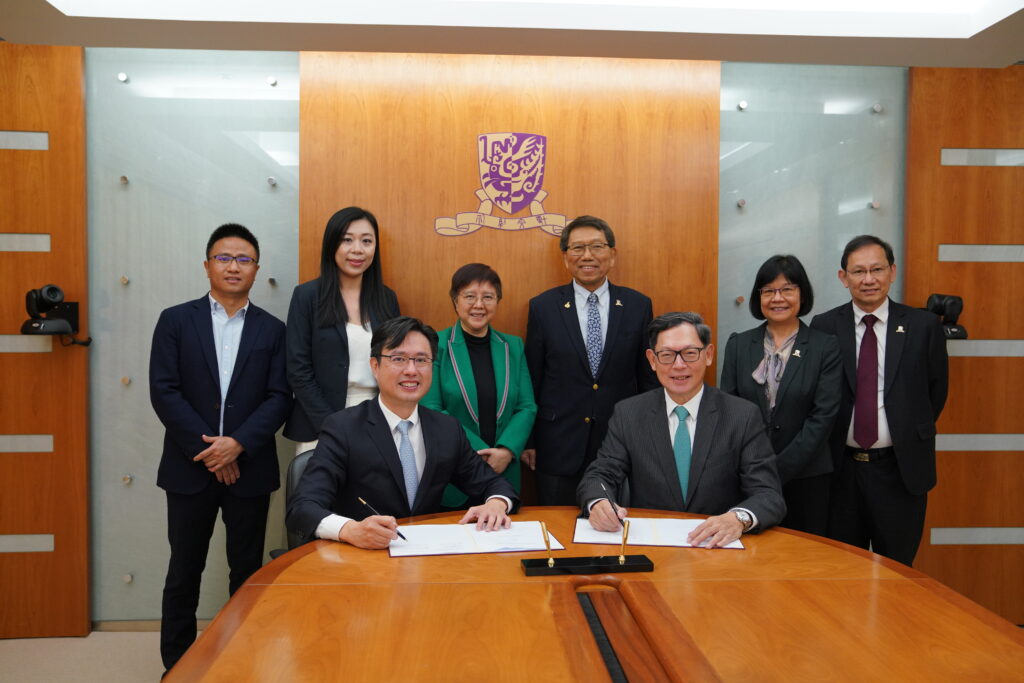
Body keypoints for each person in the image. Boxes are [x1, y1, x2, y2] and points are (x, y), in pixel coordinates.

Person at [150, 224, 290, 672]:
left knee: (247, 572)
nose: (234, 266)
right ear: (208, 263)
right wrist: (212, 451)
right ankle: (178, 666)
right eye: (225, 258)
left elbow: (279, 397)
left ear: (256, 270)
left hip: (250, 468)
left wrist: (238, 445)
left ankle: (241, 661)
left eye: (244, 259)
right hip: (189, 468)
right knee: (183, 571)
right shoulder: (175, 320)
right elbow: (164, 390)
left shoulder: (273, 329)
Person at [286, 316, 519, 549]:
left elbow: (494, 484)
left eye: (421, 360)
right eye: (398, 359)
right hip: (360, 561)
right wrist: (350, 530)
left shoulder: (447, 428)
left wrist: (497, 503)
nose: (411, 370)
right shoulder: (343, 428)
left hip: (426, 559)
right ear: (375, 366)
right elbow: (303, 507)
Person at [579, 312, 785, 548]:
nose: (679, 365)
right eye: (667, 355)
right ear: (652, 360)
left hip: (716, 550)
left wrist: (737, 519)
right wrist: (598, 503)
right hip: (651, 550)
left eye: (689, 353)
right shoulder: (629, 414)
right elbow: (600, 475)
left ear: (708, 355)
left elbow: (768, 494)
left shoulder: (742, 416)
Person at [810, 235, 948, 566]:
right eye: (858, 271)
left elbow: (935, 391)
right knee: (841, 570)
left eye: (877, 269)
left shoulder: (923, 326)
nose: (868, 279)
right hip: (841, 471)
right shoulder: (824, 326)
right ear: (843, 278)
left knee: (898, 572)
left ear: (892, 272)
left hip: (900, 471)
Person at [524, 215, 658, 505]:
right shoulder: (543, 307)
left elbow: (648, 379)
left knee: (613, 533)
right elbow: (532, 379)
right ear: (565, 258)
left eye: (597, 246)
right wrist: (530, 441)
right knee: (557, 534)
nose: (587, 256)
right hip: (557, 445)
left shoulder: (638, 305)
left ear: (612, 254)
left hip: (619, 443)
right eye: (577, 248)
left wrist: (648, 439)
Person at [720, 255, 841, 536]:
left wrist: (776, 469)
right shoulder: (739, 344)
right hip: (746, 476)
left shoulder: (825, 347)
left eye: (787, 289)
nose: (778, 298)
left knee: (803, 564)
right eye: (768, 290)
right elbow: (729, 409)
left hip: (807, 477)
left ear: (802, 293)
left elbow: (822, 417)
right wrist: (754, 466)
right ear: (758, 296)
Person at [283, 206, 400, 452]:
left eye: (366, 241)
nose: (357, 249)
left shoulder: (387, 299)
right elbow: (298, 369)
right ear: (332, 244)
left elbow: (395, 362)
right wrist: (331, 426)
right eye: (347, 240)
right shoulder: (307, 296)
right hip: (321, 424)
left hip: (377, 421)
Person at [422, 263, 537, 508]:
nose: (479, 305)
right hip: (454, 469)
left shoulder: (513, 346)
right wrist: (479, 453)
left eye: (488, 297)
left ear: (497, 301)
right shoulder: (436, 345)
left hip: (503, 470)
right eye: (469, 296)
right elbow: (432, 408)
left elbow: (526, 406)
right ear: (455, 300)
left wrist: (506, 451)